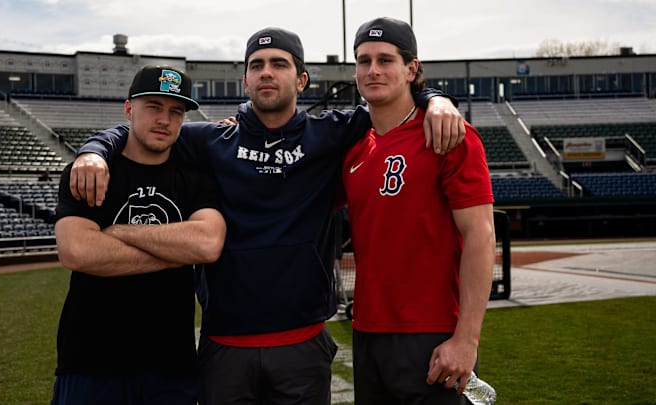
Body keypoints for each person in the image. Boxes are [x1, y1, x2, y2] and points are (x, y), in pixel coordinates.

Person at [69, 27, 465, 405]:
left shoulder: (333, 133)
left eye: (279, 63)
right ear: (245, 81)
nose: (266, 73)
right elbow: (144, 128)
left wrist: (436, 98)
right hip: (225, 345)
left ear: (302, 80)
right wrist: (94, 149)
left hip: (303, 344)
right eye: (256, 65)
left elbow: (393, 98)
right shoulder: (211, 141)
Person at [51, 65, 226, 405]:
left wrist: (116, 233)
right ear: (129, 108)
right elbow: (77, 252)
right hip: (89, 361)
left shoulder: (196, 178)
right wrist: (176, 249)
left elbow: (207, 243)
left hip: (170, 366)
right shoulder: (90, 171)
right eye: (154, 107)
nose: (165, 119)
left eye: (176, 112)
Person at [342, 17, 496, 404]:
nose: (373, 70)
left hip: (431, 334)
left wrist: (466, 340)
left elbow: (480, 234)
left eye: (385, 59)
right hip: (367, 332)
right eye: (363, 61)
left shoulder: (449, 135)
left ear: (411, 68)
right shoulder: (354, 148)